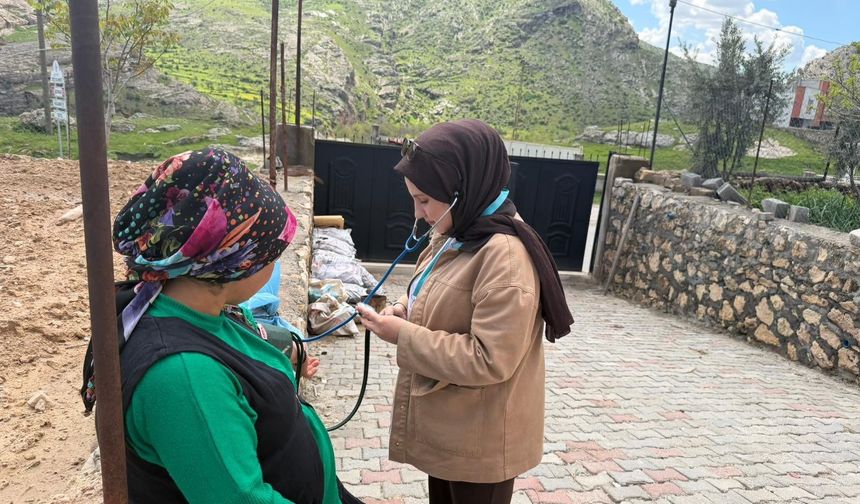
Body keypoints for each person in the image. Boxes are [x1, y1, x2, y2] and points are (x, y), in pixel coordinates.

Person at [102, 147, 361, 503]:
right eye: (270, 255)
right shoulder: (183, 376)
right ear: (232, 264)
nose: (274, 268)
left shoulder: (207, 310)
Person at [356, 119, 574, 504]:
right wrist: (405, 307)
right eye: (414, 198)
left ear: (463, 190)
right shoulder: (459, 232)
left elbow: (489, 359)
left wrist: (401, 335)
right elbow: (431, 285)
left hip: (481, 445)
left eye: (424, 199)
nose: (418, 213)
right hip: (453, 434)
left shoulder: (504, 258)